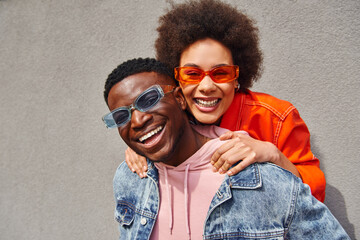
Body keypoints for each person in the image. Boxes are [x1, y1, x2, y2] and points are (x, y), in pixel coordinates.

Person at [102, 58, 349, 240]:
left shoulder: (259, 179)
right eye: (121, 116)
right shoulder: (130, 178)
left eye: (148, 100)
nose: (137, 121)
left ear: (179, 98)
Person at [125, 0, 326, 202]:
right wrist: (143, 147)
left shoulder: (276, 117)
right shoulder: (172, 117)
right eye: (192, 73)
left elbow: (315, 196)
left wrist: (274, 155)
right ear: (176, 79)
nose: (206, 86)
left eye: (221, 73)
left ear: (237, 78)